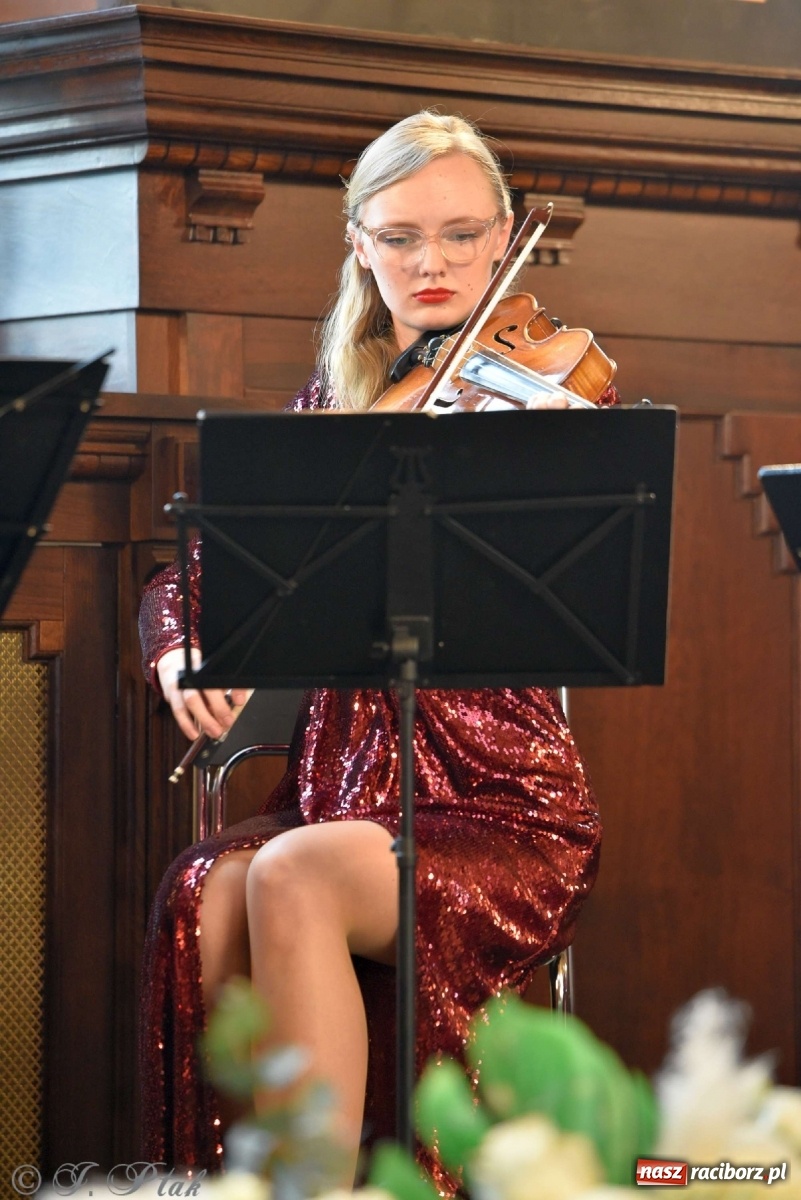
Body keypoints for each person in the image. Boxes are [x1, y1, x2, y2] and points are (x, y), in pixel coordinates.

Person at [139, 110, 613, 1194]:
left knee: (297, 869)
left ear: (505, 240)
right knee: (208, 888)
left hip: (505, 808)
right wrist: (181, 645)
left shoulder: (545, 399)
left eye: (459, 235)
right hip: (350, 796)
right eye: (400, 237)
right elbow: (193, 575)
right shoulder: (333, 410)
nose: (432, 262)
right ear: (359, 244)